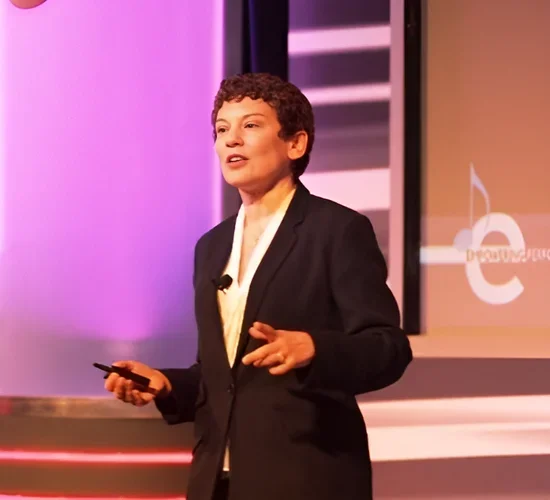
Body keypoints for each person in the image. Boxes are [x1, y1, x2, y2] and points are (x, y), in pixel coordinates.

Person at [104, 72, 413, 500]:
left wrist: (315, 348)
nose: (231, 139)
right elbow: (222, 377)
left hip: (305, 479)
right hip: (218, 482)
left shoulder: (336, 230)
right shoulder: (211, 247)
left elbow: (388, 348)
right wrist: (165, 383)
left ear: (295, 144)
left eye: (250, 125)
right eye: (222, 130)